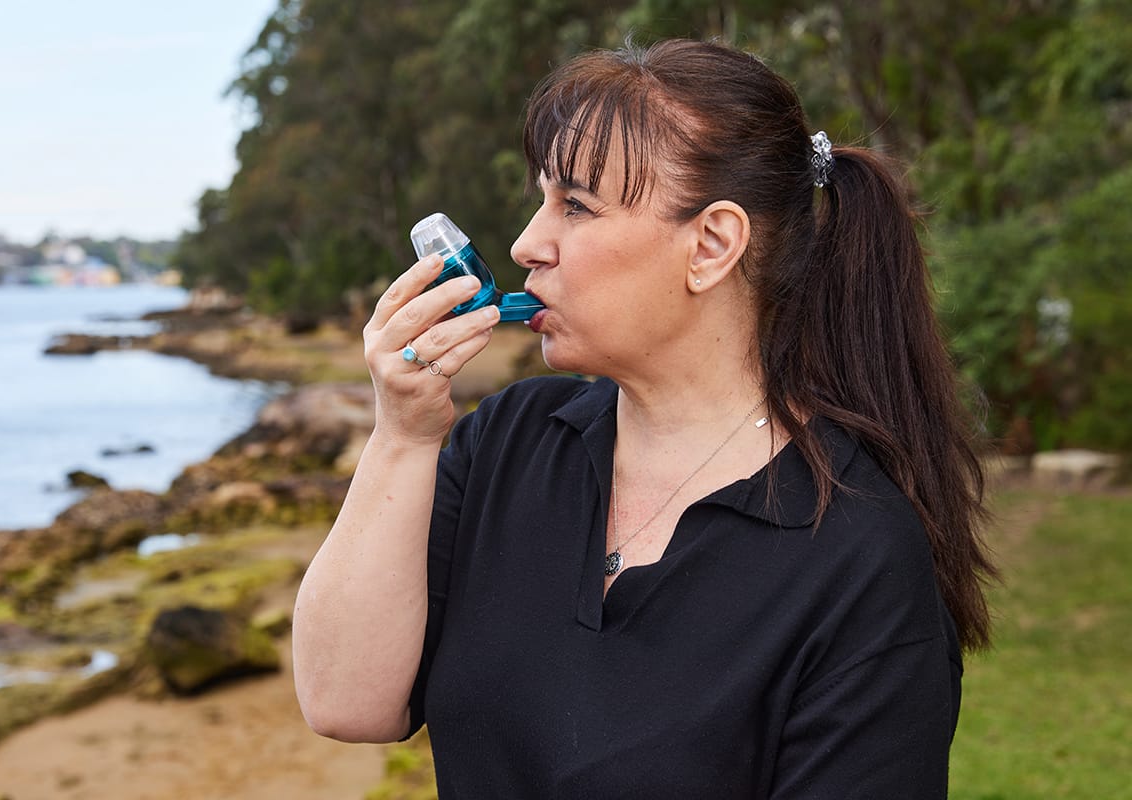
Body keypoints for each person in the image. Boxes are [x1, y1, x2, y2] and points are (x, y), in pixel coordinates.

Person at [293, 38, 996, 798]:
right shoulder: (511, 437)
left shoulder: (859, 557)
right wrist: (402, 435)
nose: (527, 244)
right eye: (542, 200)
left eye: (576, 206)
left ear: (712, 245)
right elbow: (345, 700)